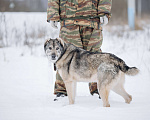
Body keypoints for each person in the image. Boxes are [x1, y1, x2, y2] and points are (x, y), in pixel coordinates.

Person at [47, 0, 112, 100]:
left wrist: (104, 11)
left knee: (94, 56)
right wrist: (53, 14)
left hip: (92, 22)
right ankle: (62, 91)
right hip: (69, 22)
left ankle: (98, 89)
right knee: (65, 57)